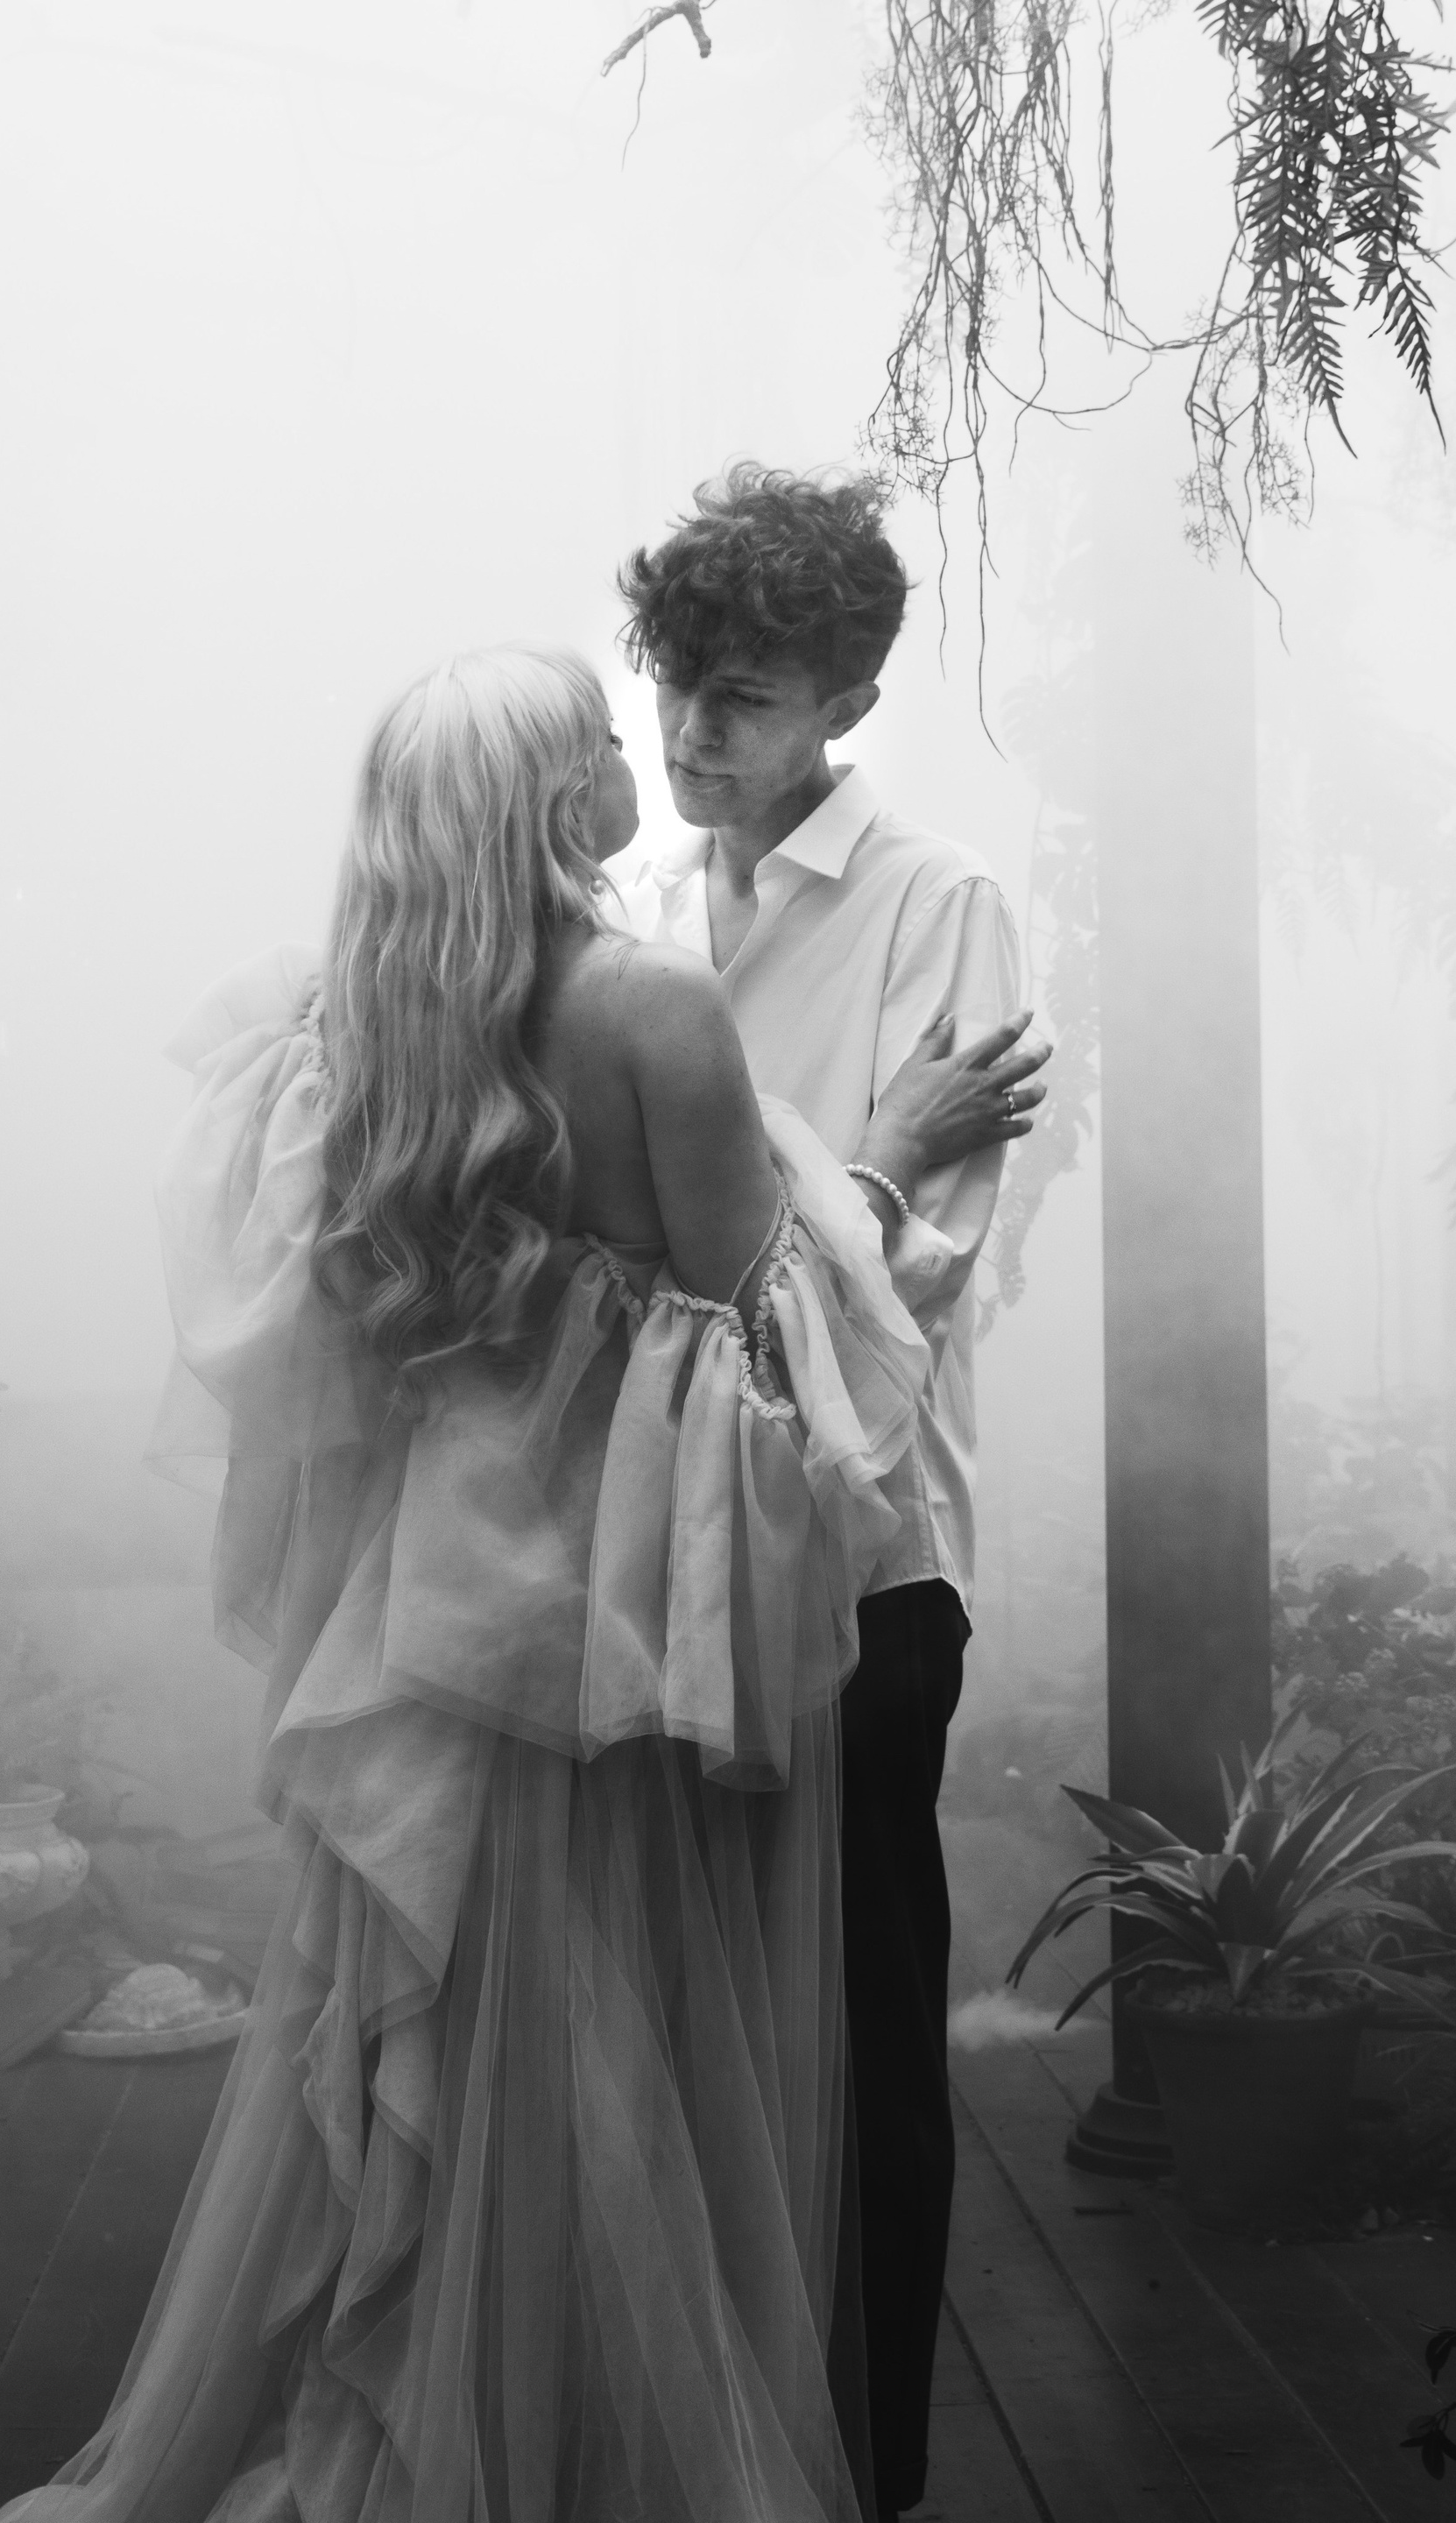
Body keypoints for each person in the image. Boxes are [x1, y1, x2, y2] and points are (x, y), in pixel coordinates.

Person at [0, 644, 1032, 2523]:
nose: (647, 750)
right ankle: (579, 2455)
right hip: (588, 1635)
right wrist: (879, 1165)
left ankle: (452, 2428)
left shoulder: (359, 1022)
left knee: (454, 2051)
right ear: (566, 799)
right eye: (606, 736)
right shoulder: (648, 1004)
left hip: (414, 1633)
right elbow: (764, 1348)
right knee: (616, 2059)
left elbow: (323, 1325)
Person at [605, 467, 1046, 2518]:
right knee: (684, 2007)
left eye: (749, 695)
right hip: (655, 1541)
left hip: (867, 1556)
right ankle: (709, 2442)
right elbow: (643, 1260)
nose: (695, 732)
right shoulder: (636, 909)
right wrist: (843, 1174)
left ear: (848, 701)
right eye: (679, 683)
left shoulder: (939, 907)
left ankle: (869, 2468)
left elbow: (911, 1289)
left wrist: (766, 1242)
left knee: (862, 2013)